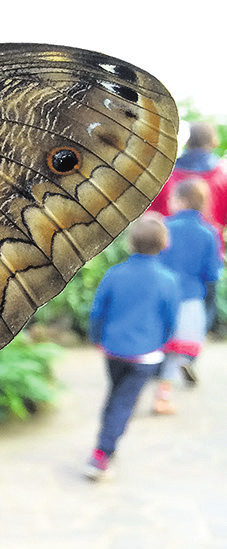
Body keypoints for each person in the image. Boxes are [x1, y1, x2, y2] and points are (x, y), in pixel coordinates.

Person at [85, 213, 179, 480]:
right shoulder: (168, 280)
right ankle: (102, 454)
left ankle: (105, 444)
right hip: (146, 355)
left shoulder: (115, 274)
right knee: (123, 403)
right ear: (164, 244)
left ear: (131, 242)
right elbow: (171, 321)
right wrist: (162, 343)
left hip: (113, 350)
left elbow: (97, 311)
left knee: (116, 396)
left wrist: (96, 338)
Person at [153, 178, 223, 413]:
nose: (169, 203)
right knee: (181, 345)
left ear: (182, 201)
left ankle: (161, 381)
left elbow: (155, 261)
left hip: (163, 295)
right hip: (191, 297)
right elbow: (212, 272)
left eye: (172, 199)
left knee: (165, 343)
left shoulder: (165, 226)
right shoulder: (209, 231)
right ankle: (168, 388)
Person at [148, 121, 227, 329]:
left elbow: (150, 213)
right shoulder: (220, 177)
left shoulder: (168, 174)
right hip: (209, 248)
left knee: (162, 299)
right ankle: (192, 346)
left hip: (166, 246)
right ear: (213, 141)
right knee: (204, 300)